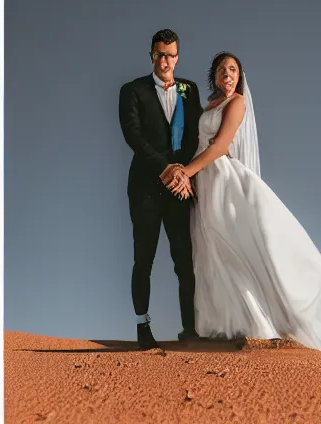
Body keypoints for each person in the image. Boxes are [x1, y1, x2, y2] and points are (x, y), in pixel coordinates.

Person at [164, 51, 321, 349]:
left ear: (240, 76)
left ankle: (256, 323)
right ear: (214, 75)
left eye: (233, 69)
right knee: (210, 249)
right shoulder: (210, 104)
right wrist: (193, 176)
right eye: (222, 69)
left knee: (233, 245)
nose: (227, 74)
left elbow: (222, 145)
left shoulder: (237, 102)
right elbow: (198, 142)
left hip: (223, 179)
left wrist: (187, 172)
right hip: (204, 182)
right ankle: (226, 323)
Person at [118, 29, 203, 350]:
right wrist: (164, 167)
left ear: (178, 57)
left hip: (181, 186)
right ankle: (143, 327)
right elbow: (132, 135)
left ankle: (189, 329)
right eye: (159, 54)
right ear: (151, 55)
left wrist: (182, 173)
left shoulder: (188, 90)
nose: (165, 60)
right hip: (145, 187)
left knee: (185, 258)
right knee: (144, 258)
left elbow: (194, 134)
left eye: (170, 55)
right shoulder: (132, 90)